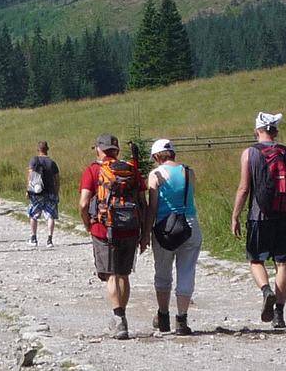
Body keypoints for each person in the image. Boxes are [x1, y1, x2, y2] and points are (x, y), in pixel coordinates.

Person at [230, 111, 286, 330]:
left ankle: (266, 290)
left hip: (258, 216)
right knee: (282, 264)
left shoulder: (249, 153)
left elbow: (244, 188)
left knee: (256, 260)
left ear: (257, 131)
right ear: (276, 131)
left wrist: (235, 215)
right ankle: (279, 315)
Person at [79, 134, 148, 339]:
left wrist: (88, 224)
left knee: (111, 275)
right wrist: (144, 233)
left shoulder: (93, 170)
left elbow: (83, 203)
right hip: (130, 228)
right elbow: (142, 202)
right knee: (124, 274)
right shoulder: (131, 169)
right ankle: (122, 315)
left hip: (104, 228)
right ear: (116, 150)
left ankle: (119, 320)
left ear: (99, 150)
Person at [146, 138, 201, 335]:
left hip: (165, 228)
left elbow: (152, 207)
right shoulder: (189, 172)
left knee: (163, 273)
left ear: (156, 156)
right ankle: (182, 319)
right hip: (190, 225)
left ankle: (163, 316)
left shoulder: (155, 174)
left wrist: (145, 233)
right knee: (186, 271)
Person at [26, 140, 60, 246]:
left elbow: (30, 177)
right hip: (50, 192)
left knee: (33, 214)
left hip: (36, 192)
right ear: (47, 150)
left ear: (38, 150)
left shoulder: (34, 161)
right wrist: (56, 191)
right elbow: (57, 179)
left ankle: (33, 238)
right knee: (50, 215)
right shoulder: (52, 163)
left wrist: (28, 190)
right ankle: (49, 239)